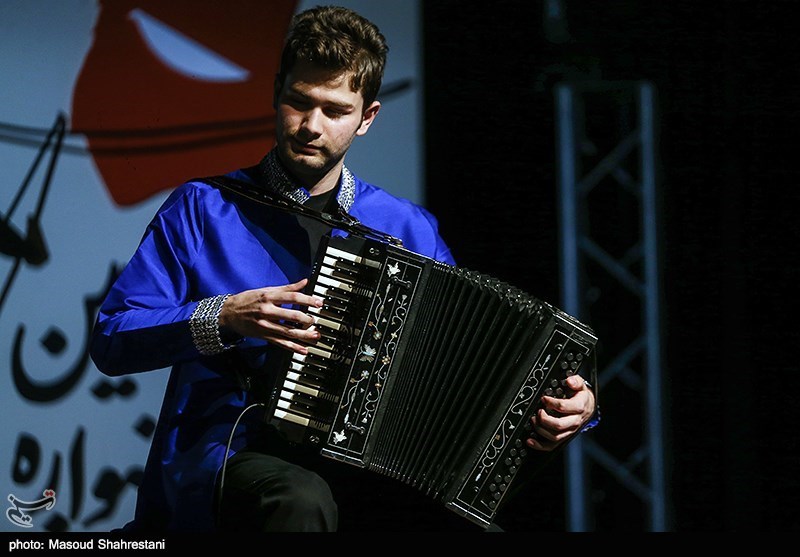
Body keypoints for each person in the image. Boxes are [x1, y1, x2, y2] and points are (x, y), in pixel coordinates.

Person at [90, 5, 598, 533]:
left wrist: (573, 403)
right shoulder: (203, 207)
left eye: (334, 111)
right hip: (232, 455)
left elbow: (470, 360)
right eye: (298, 103)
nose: (311, 126)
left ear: (367, 117)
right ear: (275, 94)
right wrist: (225, 316)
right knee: (298, 500)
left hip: (375, 467)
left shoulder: (405, 226)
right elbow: (111, 338)